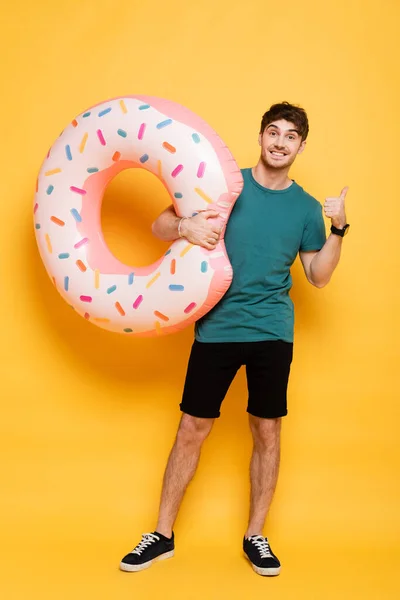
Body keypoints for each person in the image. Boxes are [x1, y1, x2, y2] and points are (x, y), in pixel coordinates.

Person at [119, 102, 350, 576]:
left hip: (271, 333)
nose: (280, 142)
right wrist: (185, 226)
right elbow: (161, 225)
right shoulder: (225, 185)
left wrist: (339, 229)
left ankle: (256, 536)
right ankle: (161, 535)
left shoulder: (307, 208)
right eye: (273, 132)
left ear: (301, 146)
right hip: (217, 328)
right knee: (191, 429)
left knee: (267, 431)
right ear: (262, 136)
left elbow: (319, 276)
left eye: (290, 136)